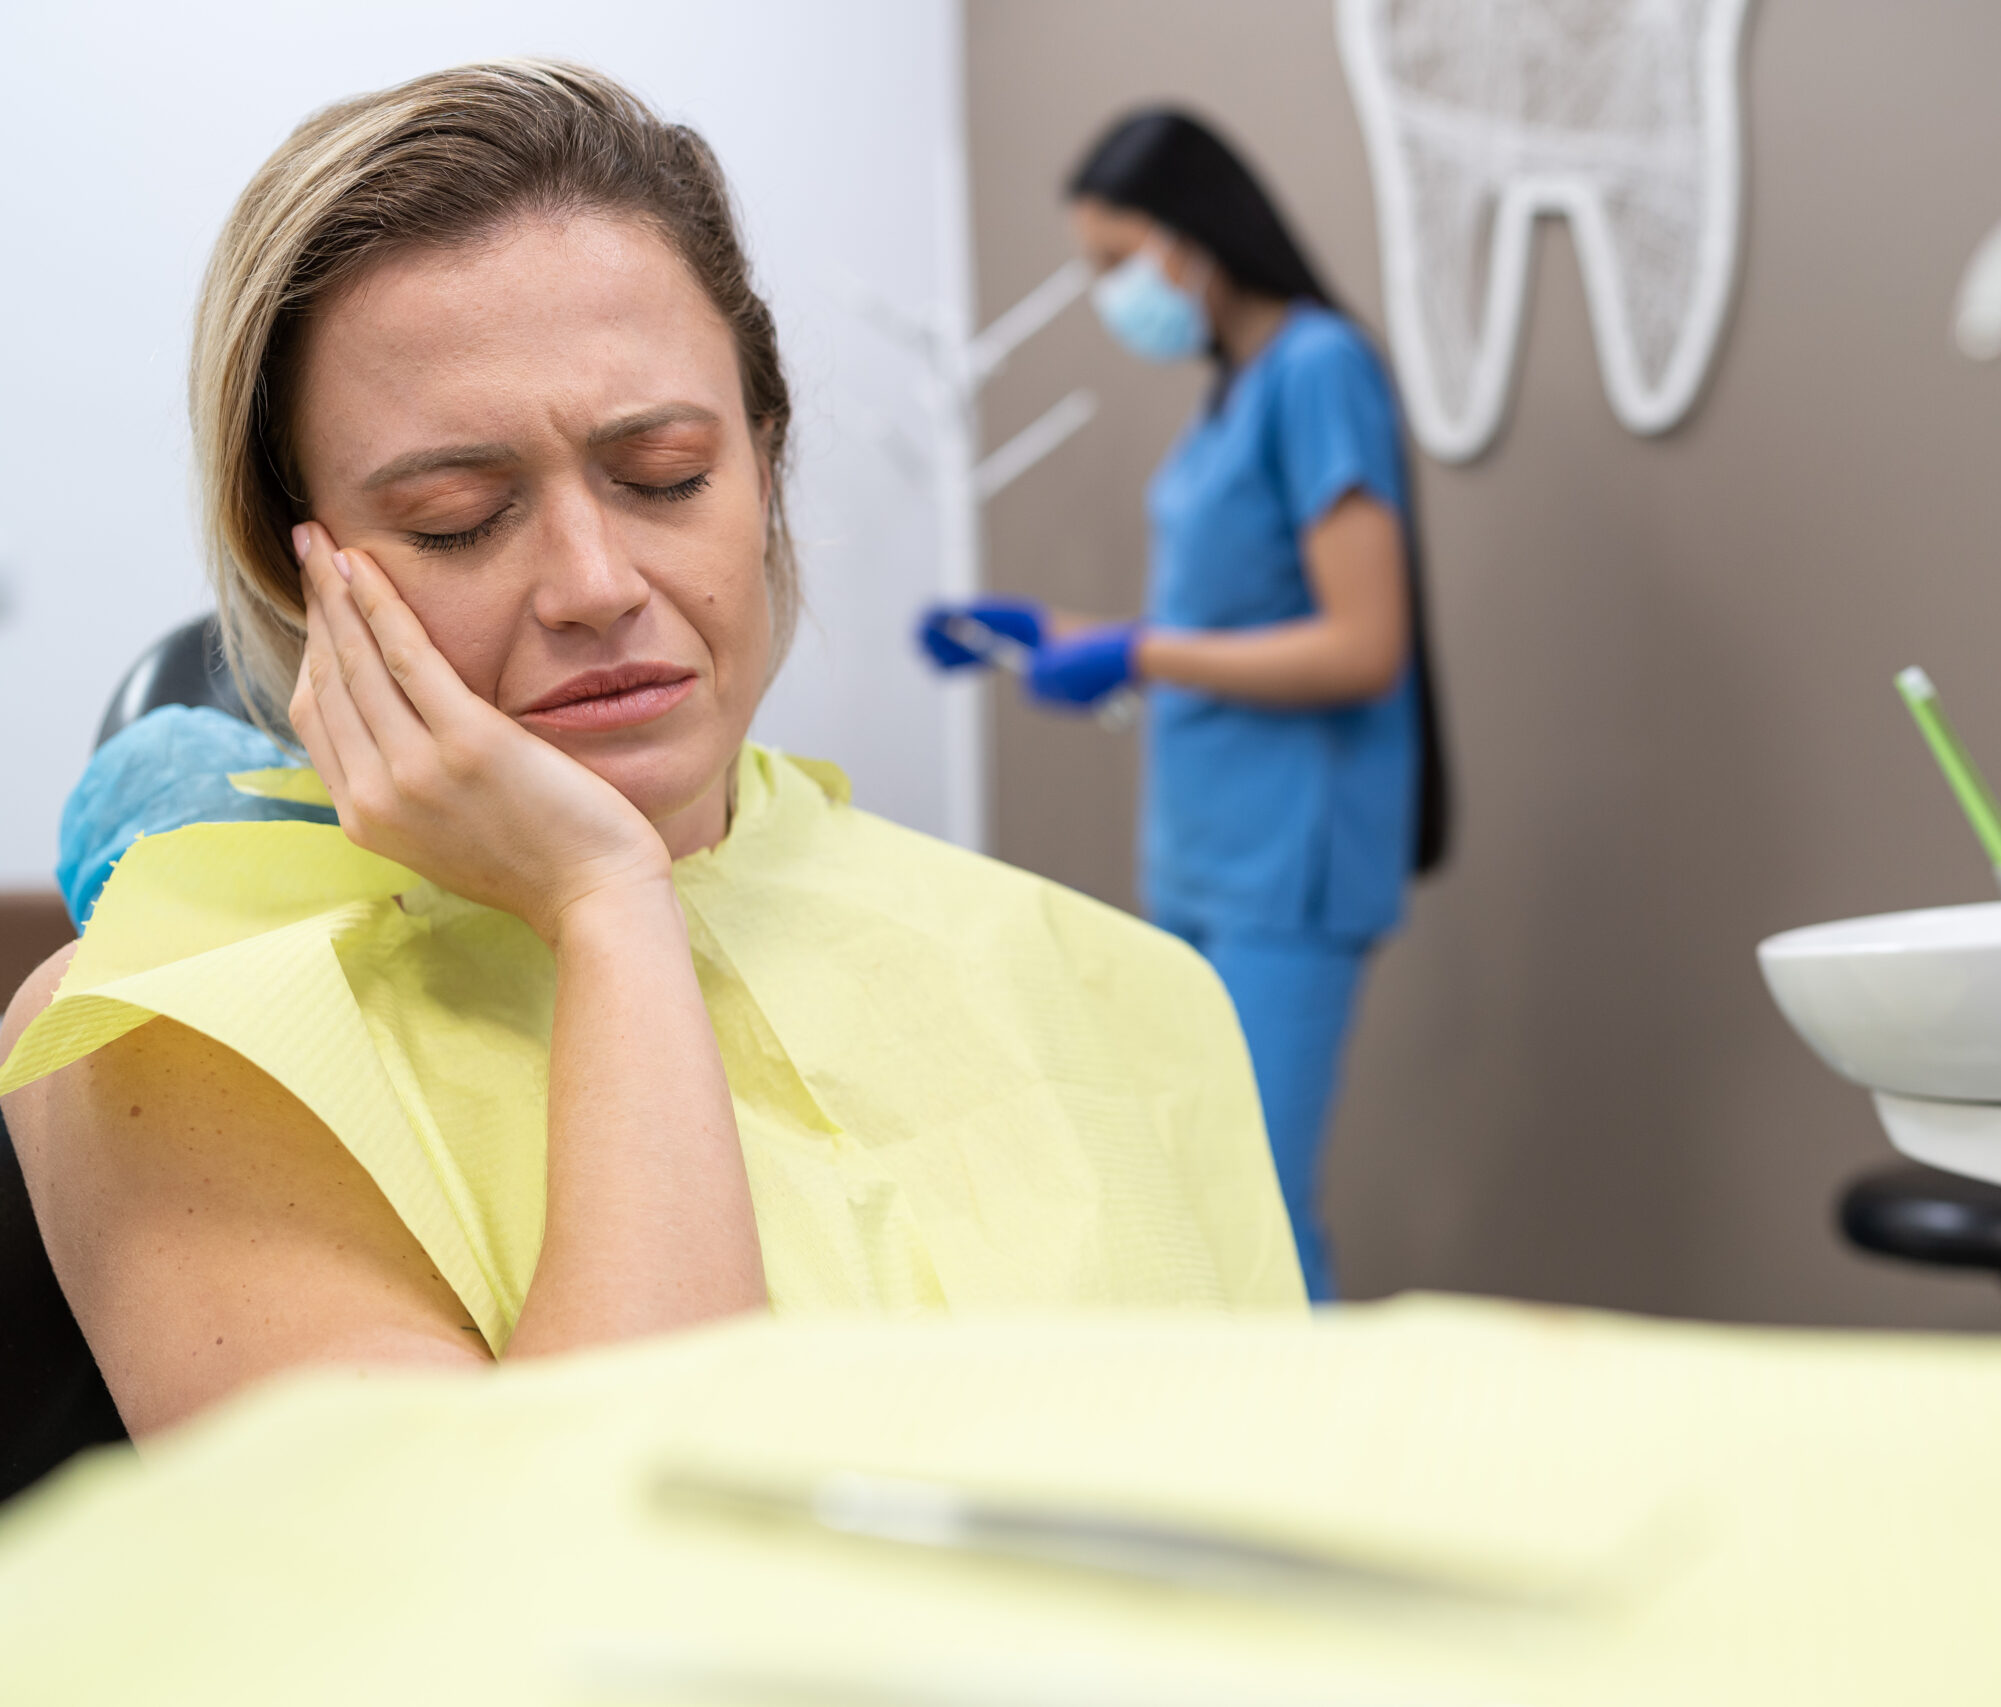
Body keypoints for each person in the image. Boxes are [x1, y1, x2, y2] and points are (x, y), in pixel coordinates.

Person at [0, 62, 1302, 1440]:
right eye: (457, 517)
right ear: (295, 560)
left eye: (668, 474)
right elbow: (543, 1619)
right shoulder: (172, 1038)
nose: (592, 581)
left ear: (765, 460)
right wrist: (606, 905)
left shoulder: (1129, 990)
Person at [921, 111, 1450, 1301]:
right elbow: (1227, 617)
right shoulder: (1236, 392)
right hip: (1208, 853)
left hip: (1289, 860)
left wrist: (1138, 653)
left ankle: (1311, 1469)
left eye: (1115, 263)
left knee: (1249, 1209)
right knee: (1199, 1196)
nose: (1108, 294)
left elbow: (1364, 645)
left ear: (1193, 239)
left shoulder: (1317, 369)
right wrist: (1046, 640)